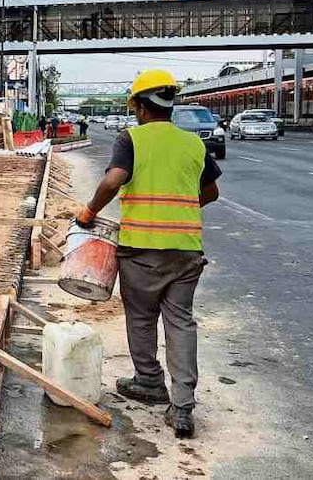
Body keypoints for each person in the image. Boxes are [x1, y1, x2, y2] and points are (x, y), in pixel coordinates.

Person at [76, 70, 221, 440]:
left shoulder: (132, 139)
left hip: (141, 248)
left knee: (141, 316)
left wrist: (90, 212)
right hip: (186, 251)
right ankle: (183, 406)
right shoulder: (193, 144)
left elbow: (113, 179)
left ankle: (149, 382)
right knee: (181, 322)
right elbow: (211, 192)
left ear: (140, 107)